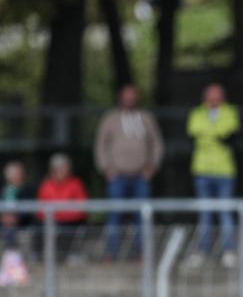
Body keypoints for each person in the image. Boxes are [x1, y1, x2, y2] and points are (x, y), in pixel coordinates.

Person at [94, 84, 164, 260]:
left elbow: (156, 143)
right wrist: (106, 167)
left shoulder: (146, 118)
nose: (130, 99)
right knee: (114, 215)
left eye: (133, 96)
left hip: (141, 175)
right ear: (120, 98)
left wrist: (152, 166)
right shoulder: (110, 119)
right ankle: (111, 252)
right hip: (117, 175)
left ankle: (140, 252)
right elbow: (100, 144)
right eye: (127, 96)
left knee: (142, 215)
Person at [185, 83, 240, 268]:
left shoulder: (230, 112)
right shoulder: (197, 113)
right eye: (211, 95)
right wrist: (216, 132)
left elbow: (228, 133)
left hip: (224, 171)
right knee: (205, 213)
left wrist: (208, 133)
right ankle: (203, 250)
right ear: (205, 97)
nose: (214, 98)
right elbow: (194, 131)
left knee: (225, 212)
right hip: (202, 170)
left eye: (218, 95)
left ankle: (228, 250)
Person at [34, 153, 88, 262]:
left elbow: (82, 208)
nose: (65, 171)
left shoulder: (76, 184)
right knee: (38, 228)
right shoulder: (46, 185)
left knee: (66, 229)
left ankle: (63, 257)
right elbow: (40, 209)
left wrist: (60, 213)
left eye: (66, 168)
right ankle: (41, 257)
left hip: (70, 221)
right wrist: (55, 215)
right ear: (53, 170)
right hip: (51, 219)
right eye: (61, 168)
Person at [1, 160, 36, 249]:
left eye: (16, 174)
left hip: (22, 225)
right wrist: (3, 218)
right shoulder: (3, 190)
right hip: (4, 224)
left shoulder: (28, 190)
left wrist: (16, 218)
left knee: (15, 234)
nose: (14, 177)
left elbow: (30, 210)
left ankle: (12, 257)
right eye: (12, 174)